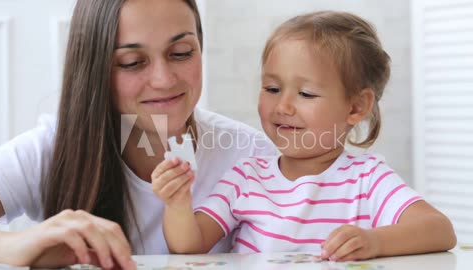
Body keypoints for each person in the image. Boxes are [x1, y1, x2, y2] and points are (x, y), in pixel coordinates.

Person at [152, 11, 457, 261]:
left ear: (356, 106)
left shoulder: (368, 179)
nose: (282, 106)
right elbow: (189, 246)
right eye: (272, 89)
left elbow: (439, 229)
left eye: (306, 94)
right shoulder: (246, 177)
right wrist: (178, 203)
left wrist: (374, 241)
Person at [0, 0, 275, 269]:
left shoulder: (252, 155)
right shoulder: (52, 148)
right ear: (95, 69)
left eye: (181, 53)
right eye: (131, 62)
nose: (164, 80)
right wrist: (15, 245)